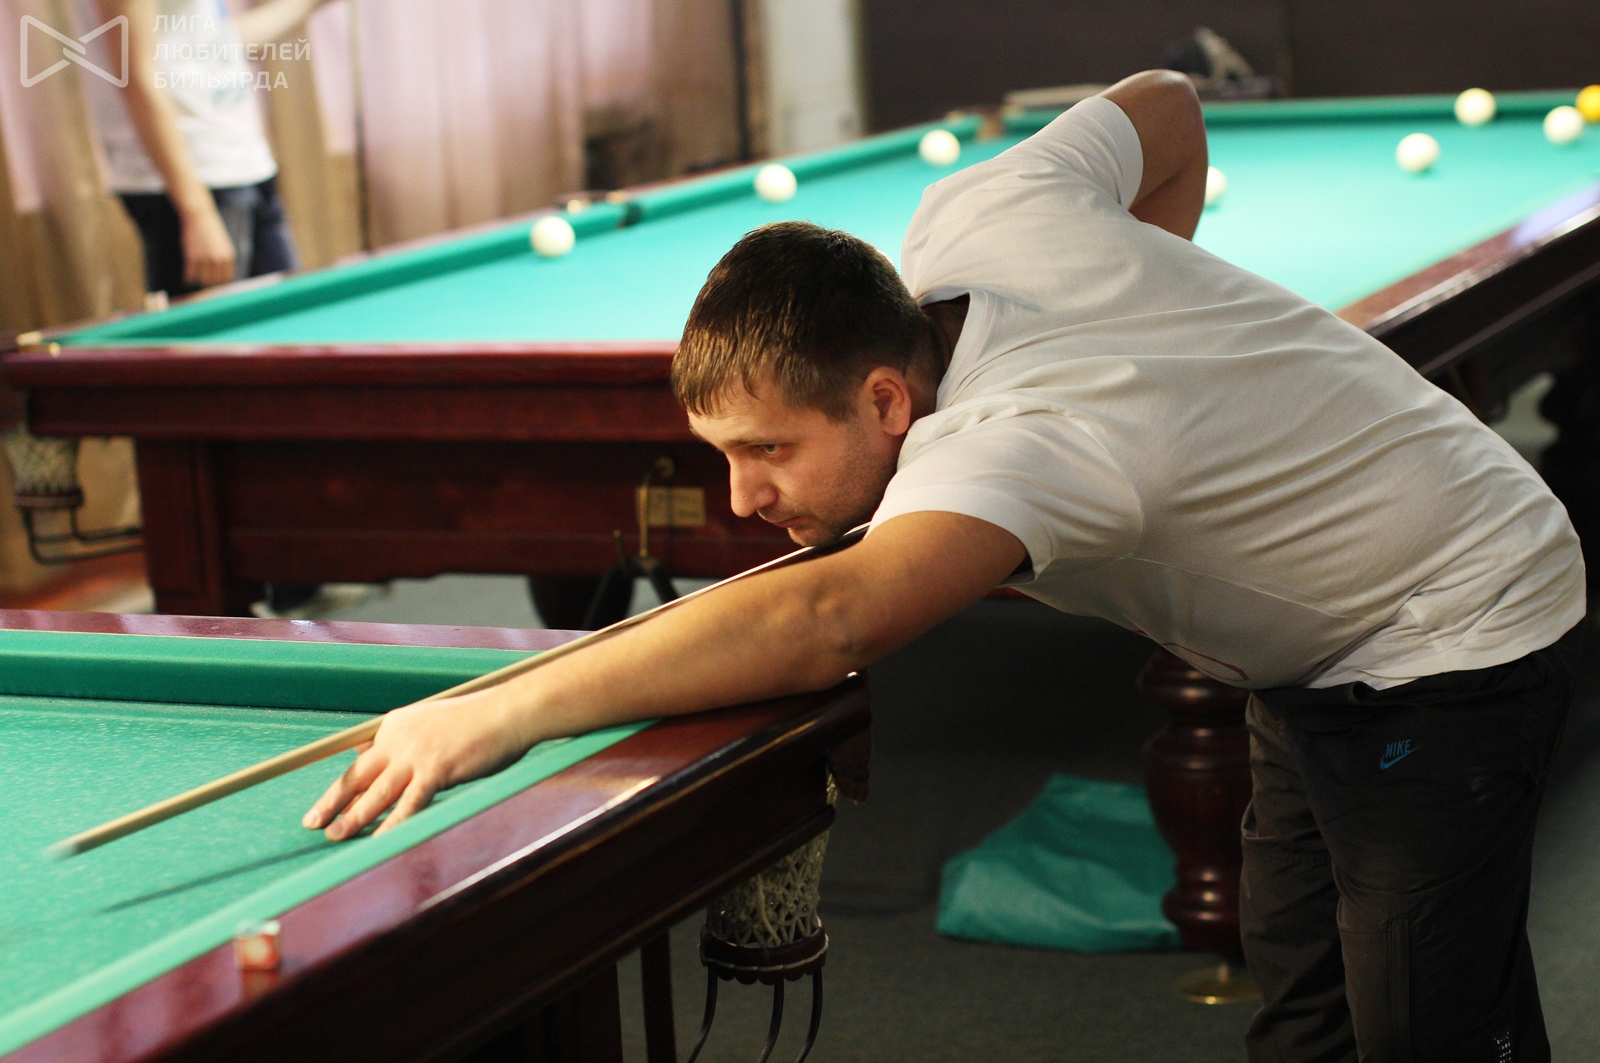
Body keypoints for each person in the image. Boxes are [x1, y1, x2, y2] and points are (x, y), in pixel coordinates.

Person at [303, 71, 1585, 1062]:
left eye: (767, 451)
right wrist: (1163, 307)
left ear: (883, 397)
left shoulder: (1024, 446)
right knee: (1303, 1003)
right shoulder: (978, 213)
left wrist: (503, 710)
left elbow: (827, 618)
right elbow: (1169, 108)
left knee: (1423, 1024)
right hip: (1309, 637)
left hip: (1450, 613)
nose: (741, 498)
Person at [90, 0, 333, 614]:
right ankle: (219, 610)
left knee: (287, 377)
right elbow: (135, 72)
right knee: (216, 401)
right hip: (192, 187)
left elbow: (212, 40)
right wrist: (194, 209)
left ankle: (295, 581)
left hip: (243, 166)